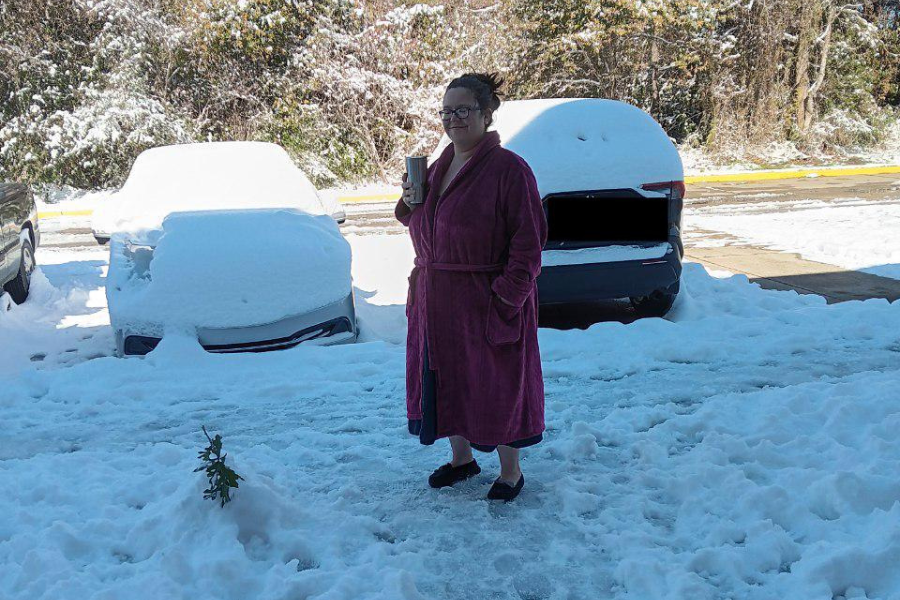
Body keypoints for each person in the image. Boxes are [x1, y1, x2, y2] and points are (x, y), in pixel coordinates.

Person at [395, 73, 547, 502]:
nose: (453, 119)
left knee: (496, 384)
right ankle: (462, 459)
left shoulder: (509, 170)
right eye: (446, 111)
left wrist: (504, 300)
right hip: (436, 298)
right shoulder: (440, 164)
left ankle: (511, 472)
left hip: (484, 299)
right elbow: (424, 224)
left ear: (485, 113)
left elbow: (529, 246)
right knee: (446, 380)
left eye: (462, 110)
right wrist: (409, 200)